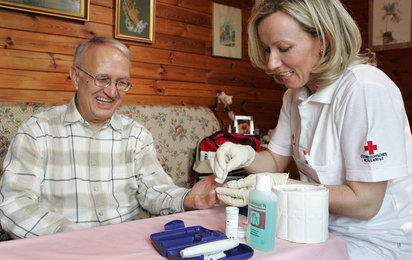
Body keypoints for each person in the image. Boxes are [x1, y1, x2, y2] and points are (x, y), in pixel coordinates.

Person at [210, 0, 412, 259]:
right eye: (267, 49)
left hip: (377, 242)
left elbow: (365, 203)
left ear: (324, 41)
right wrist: (246, 155)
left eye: (284, 48)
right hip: (318, 230)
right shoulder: (295, 96)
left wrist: (279, 186)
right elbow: (274, 162)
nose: (271, 63)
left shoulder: (363, 89)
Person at [0, 36, 219, 239]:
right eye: (102, 79)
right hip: (63, 249)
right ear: (76, 77)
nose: (112, 92)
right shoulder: (37, 131)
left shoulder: (136, 134)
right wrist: (71, 236)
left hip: (127, 245)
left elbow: (154, 189)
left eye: (121, 82)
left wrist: (186, 198)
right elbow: (14, 204)